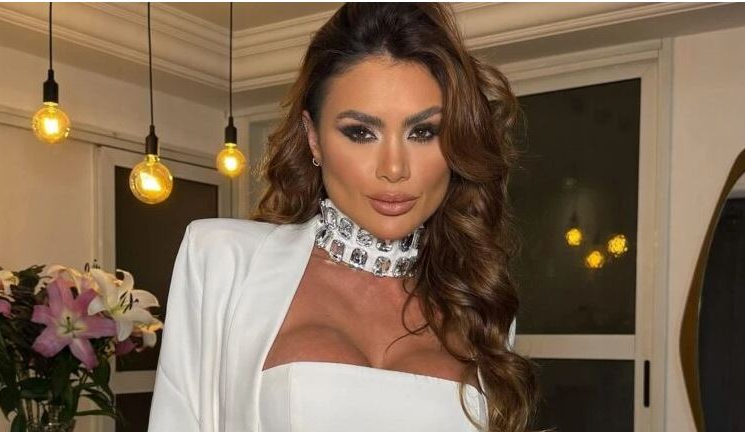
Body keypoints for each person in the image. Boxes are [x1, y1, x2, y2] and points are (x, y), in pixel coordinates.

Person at [148, 3, 540, 432]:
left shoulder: (480, 301)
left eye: (423, 132)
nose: (394, 168)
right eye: (361, 132)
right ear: (313, 138)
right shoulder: (223, 260)